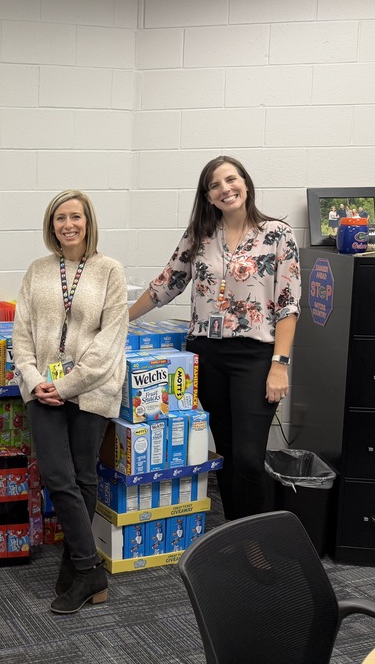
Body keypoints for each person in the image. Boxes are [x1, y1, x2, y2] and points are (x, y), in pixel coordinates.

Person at [128, 155, 301, 521]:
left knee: (251, 459)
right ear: (208, 196)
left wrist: (280, 365)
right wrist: (118, 318)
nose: (226, 189)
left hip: (255, 356)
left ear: (246, 183)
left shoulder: (278, 234)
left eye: (231, 179)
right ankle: (236, 533)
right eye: (215, 185)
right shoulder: (200, 235)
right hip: (207, 355)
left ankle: (257, 538)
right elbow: (167, 284)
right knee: (228, 452)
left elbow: (288, 305)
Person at [12, 190, 128, 615]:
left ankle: (77, 573)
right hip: (43, 387)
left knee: (83, 478)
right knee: (58, 477)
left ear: (88, 222)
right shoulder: (38, 271)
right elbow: (21, 334)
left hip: (92, 388)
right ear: (52, 225)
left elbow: (110, 341)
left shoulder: (110, 271)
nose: (68, 224)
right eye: (60, 217)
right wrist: (36, 379)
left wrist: (67, 386)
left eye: (75, 217)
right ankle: (90, 568)